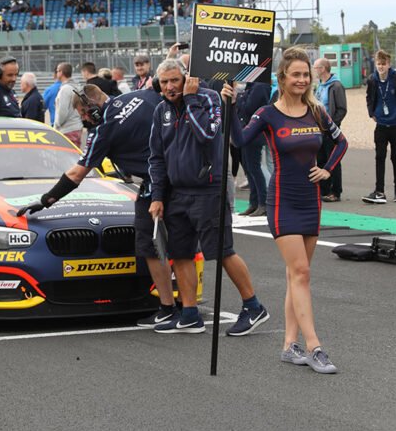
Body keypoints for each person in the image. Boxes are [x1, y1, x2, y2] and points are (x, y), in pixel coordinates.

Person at [222, 46, 348, 374]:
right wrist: (231, 105)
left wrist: (328, 170)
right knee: (301, 273)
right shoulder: (267, 114)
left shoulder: (317, 111)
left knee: (298, 275)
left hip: (311, 200)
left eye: (306, 75)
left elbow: (342, 142)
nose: (302, 80)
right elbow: (238, 140)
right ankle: (314, 346)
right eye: (296, 75)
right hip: (283, 202)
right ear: (282, 77)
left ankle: (288, 346)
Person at [16, 85, 185, 327]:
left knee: (151, 246)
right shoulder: (140, 95)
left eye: (83, 113)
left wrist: (46, 200)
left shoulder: (105, 127)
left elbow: (76, 174)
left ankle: (168, 308)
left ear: (92, 107)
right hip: (183, 177)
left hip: (156, 185)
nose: (84, 119)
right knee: (183, 246)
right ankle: (188, 310)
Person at [148, 59, 270, 336]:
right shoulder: (160, 110)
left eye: (174, 81)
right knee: (180, 253)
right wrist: (157, 196)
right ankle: (189, 313)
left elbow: (207, 134)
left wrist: (191, 99)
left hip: (208, 189)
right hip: (177, 193)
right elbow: (156, 157)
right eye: (164, 82)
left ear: (186, 78)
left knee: (222, 251)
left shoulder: (210, 98)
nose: (169, 87)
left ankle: (253, 305)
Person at [362, 50, 396, 204]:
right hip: (380, 125)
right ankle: (379, 191)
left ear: (389, 64)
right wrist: (371, 112)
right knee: (379, 157)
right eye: (378, 64)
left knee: (395, 157)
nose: (381, 67)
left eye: (383, 64)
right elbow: (369, 97)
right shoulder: (373, 79)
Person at [313, 58, 348, 202]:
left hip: (331, 129)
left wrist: (332, 125)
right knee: (320, 159)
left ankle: (335, 191)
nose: (314, 70)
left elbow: (342, 109)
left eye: (315, 67)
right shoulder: (319, 86)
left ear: (323, 69)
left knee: (333, 159)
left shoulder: (336, 86)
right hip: (319, 129)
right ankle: (323, 189)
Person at [235, 82, 271, 216]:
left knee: (254, 168)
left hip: (254, 133)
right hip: (246, 131)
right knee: (249, 169)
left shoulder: (260, 86)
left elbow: (248, 108)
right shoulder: (251, 87)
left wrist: (239, 98)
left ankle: (263, 203)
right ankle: (254, 203)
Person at [53, 62, 83, 147]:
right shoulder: (76, 87)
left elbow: (62, 111)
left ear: (61, 72)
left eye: (57, 71)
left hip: (67, 129)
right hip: (75, 126)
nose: (56, 73)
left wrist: (56, 125)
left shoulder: (65, 89)